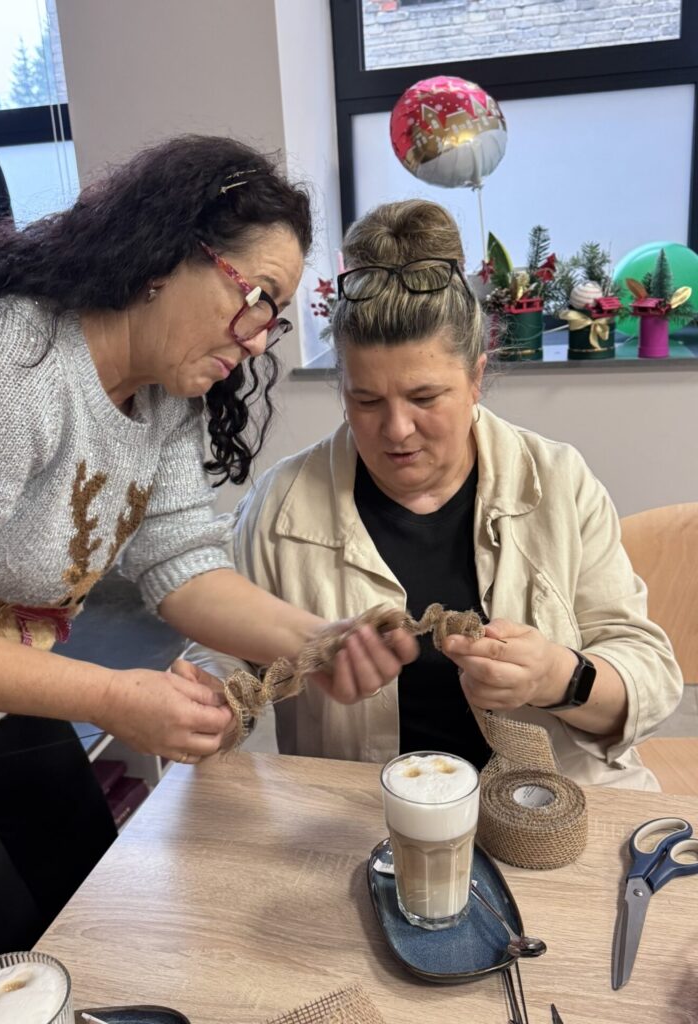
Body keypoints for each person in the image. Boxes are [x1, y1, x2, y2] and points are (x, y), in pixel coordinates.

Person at [0, 136, 416, 995]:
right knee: (1, 973)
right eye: (258, 299)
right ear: (165, 254)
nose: (261, 340)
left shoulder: (162, 394)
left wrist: (318, 639)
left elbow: (182, 560)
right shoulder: (2, 363)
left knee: (84, 916)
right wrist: (115, 697)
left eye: (276, 317)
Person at [185, 198, 682, 790]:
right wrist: (209, 704)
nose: (396, 430)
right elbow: (220, 656)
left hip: (553, 808)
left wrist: (558, 677)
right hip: (362, 816)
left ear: (476, 377)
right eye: (366, 400)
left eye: (424, 398)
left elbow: (650, 677)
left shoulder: (557, 483)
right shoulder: (280, 507)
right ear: (341, 388)